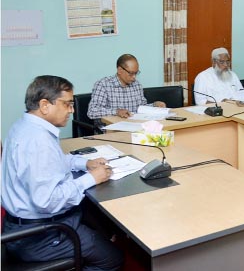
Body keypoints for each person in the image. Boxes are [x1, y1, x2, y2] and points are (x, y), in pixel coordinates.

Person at [2, 75, 123, 270]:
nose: (72, 110)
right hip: (39, 235)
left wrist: (86, 163)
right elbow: (48, 201)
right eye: (67, 104)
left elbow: (54, 162)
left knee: (95, 216)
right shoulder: (38, 142)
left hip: (21, 224)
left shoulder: (25, 127)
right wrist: (91, 178)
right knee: (112, 259)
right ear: (44, 105)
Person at [88, 53, 165, 129]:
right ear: (120, 70)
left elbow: (140, 108)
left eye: (136, 73)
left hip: (135, 128)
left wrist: (154, 106)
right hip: (110, 131)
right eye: (131, 73)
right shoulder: (103, 85)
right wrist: (117, 112)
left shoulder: (136, 85)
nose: (134, 77)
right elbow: (92, 112)